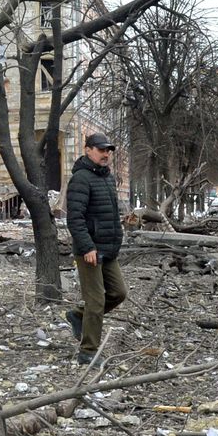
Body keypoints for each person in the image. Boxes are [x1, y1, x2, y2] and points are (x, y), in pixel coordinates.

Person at [63, 132, 125, 364]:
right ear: (87, 149)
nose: (106, 154)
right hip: (90, 250)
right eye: (101, 149)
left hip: (108, 248)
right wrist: (87, 247)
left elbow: (111, 213)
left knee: (119, 293)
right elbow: (75, 219)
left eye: (108, 150)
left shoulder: (106, 177)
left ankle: (78, 316)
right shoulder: (81, 178)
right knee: (96, 301)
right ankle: (88, 351)